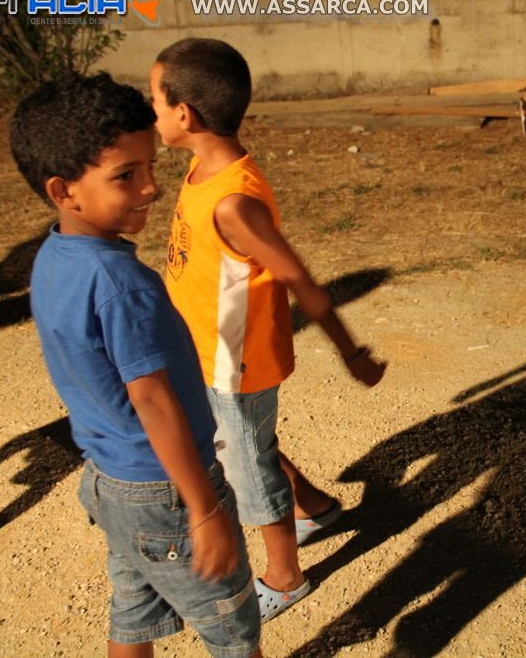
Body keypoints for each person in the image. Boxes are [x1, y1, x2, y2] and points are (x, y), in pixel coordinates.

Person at [11, 72, 261, 657]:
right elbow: (152, 399)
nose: (150, 186)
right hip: (166, 493)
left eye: (150, 166)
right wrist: (203, 509)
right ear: (64, 191)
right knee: (233, 631)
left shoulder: (54, 257)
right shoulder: (122, 284)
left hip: (111, 483)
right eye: (126, 175)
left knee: (133, 616)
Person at [150, 38, 386, 623]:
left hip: (236, 363)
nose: (151, 111)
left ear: (185, 114)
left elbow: (300, 280)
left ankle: (285, 576)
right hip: (206, 351)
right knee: (246, 445)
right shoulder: (203, 169)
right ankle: (315, 507)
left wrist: (351, 352)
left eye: (154, 100)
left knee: (247, 467)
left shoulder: (234, 202)